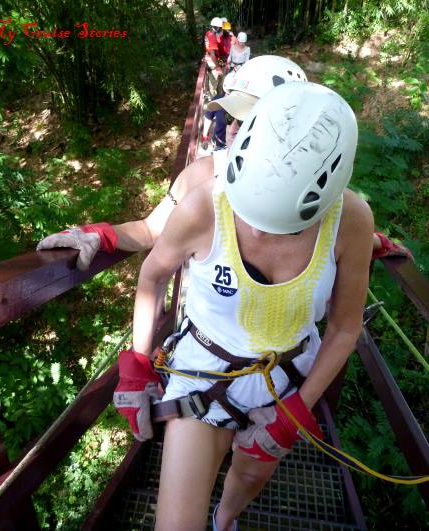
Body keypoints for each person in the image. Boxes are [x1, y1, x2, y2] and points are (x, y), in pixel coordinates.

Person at [113, 82, 374, 530]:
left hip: (285, 381)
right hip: (204, 374)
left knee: (251, 475)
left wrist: (295, 412)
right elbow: (153, 274)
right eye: (248, 210)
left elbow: (345, 327)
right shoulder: (204, 206)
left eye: (287, 226)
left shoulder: (350, 221)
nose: (255, 232)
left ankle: (226, 518)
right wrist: (136, 365)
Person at [36, 55, 413, 268]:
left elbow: (332, 224)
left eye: (246, 120)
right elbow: (152, 230)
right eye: (230, 117)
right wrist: (98, 234)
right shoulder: (203, 175)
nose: (231, 129)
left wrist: (370, 241)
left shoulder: (319, 186)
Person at [200, 72, 235, 151]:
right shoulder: (218, 100)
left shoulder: (244, 104)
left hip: (237, 146)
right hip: (219, 144)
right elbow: (208, 117)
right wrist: (204, 137)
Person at [205, 17, 223, 97]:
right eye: (220, 28)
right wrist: (218, 67)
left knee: (212, 83)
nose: (221, 29)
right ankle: (214, 99)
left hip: (209, 59)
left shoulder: (208, 33)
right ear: (217, 27)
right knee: (214, 84)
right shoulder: (212, 37)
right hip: (213, 63)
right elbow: (213, 54)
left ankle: (213, 96)